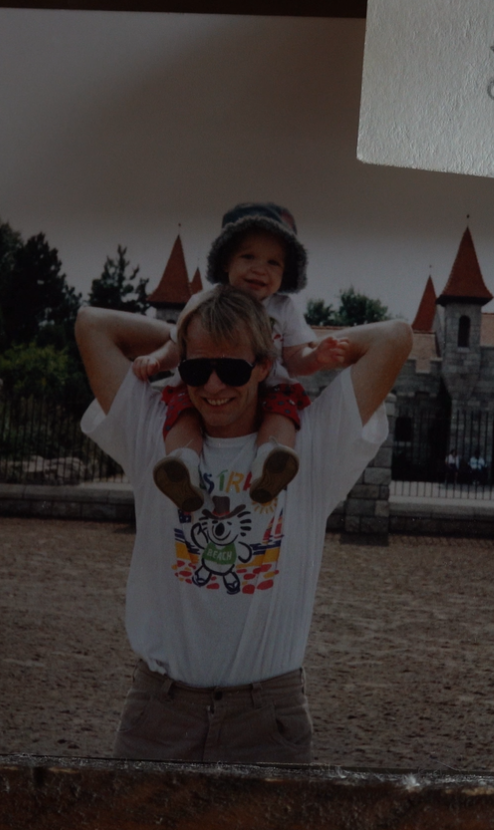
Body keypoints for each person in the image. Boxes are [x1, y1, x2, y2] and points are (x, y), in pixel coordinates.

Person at [75, 283, 412, 763]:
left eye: (232, 367)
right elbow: (91, 324)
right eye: (196, 368)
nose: (212, 386)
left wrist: (303, 352)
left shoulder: (309, 445)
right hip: (160, 713)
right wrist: (185, 331)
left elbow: (395, 338)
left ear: (261, 365)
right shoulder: (156, 433)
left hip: (267, 719)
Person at [133, 203, 346, 510]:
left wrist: (318, 356)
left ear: (285, 274)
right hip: (207, 384)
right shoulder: (204, 302)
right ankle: (181, 467)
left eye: (274, 262)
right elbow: (177, 345)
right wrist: (156, 360)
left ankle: (270, 464)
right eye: (248, 257)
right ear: (225, 262)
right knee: (183, 411)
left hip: (268, 388)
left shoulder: (282, 309)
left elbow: (296, 359)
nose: (260, 268)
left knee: (283, 411)